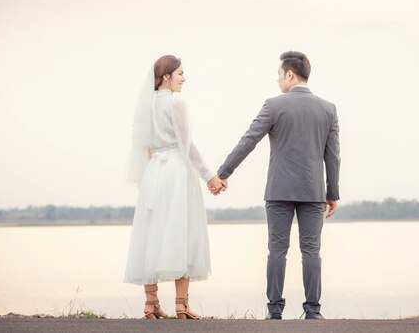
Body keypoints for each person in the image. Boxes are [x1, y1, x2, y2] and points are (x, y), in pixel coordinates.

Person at [211, 51, 340, 320]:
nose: (278, 80)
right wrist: (332, 193)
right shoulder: (328, 109)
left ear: (290, 74)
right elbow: (333, 156)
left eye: (279, 75)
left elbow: (249, 140)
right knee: (312, 251)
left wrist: (224, 172)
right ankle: (313, 311)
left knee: (277, 250)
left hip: (279, 191)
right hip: (313, 192)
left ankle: (274, 311)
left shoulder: (273, 105)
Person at [124, 55, 225, 319]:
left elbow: (142, 145)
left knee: (152, 232)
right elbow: (186, 144)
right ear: (166, 76)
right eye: (180, 73)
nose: (184, 78)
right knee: (182, 231)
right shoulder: (176, 102)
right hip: (177, 172)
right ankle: (181, 304)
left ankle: (151, 303)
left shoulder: (145, 106)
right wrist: (209, 176)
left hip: (154, 171)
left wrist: (150, 173)